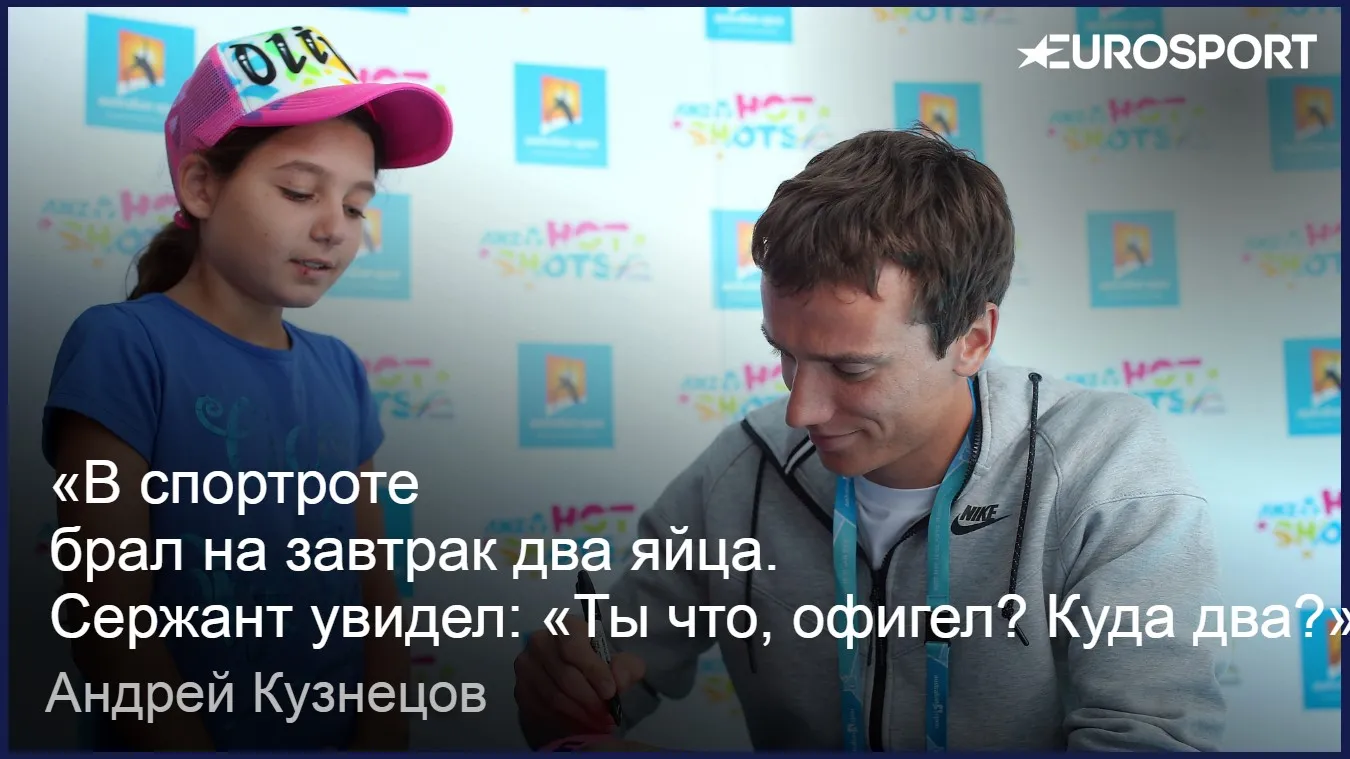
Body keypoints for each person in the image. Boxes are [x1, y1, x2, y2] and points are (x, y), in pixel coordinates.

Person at [514, 126, 1228, 751]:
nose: (800, 409)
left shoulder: (1108, 469)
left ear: (972, 339)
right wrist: (571, 691)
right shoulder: (742, 468)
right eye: (785, 355)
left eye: (851, 368)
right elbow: (609, 676)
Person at [42, 25, 452, 750]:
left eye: (355, 206)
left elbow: (377, 604)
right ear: (201, 185)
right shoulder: (123, 347)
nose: (333, 228)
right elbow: (108, 627)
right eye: (299, 191)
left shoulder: (341, 371)